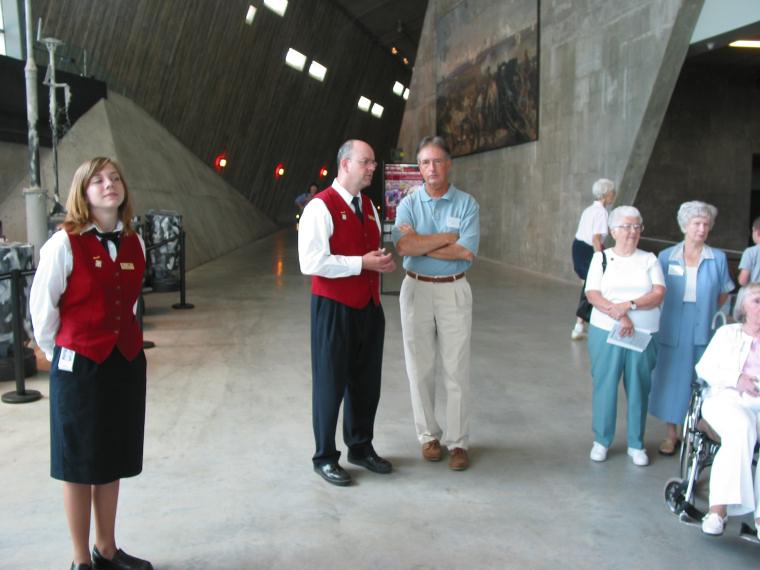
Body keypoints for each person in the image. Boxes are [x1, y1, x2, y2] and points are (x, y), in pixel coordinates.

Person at [29, 157, 152, 570]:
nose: (109, 185)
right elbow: (42, 309)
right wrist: (62, 351)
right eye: (97, 180)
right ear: (83, 192)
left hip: (124, 362)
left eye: (115, 177)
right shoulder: (63, 243)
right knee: (80, 463)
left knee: (111, 457)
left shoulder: (135, 240)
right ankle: (81, 559)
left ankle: (107, 548)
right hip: (80, 365)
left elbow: (131, 299)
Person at [298, 139, 396, 486]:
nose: (372, 168)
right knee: (330, 383)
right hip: (334, 309)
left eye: (372, 162)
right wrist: (361, 263)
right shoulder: (318, 207)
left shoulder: (368, 205)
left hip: (369, 307)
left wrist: (378, 262)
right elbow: (310, 262)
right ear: (345, 165)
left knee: (366, 384)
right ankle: (324, 456)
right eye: (365, 162)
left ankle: (360, 445)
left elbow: (366, 249)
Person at [393, 136, 480, 471]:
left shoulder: (467, 204)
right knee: (420, 367)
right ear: (419, 168)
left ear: (449, 164)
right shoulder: (408, 204)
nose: (432, 168)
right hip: (416, 290)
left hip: (454, 289)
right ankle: (428, 436)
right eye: (425, 163)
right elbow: (403, 247)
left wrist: (421, 243)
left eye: (438, 161)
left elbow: (466, 252)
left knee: (456, 369)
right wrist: (446, 238)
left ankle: (457, 443)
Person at [648, 201, 733, 456]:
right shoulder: (666, 257)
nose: (702, 228)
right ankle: (671, 434)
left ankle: (694, 431)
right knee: (672, 380)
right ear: (685, 225)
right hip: (673, 323)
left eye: (706, 224)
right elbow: (657, 291)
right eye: (697, 223)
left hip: (703, 324)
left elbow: (724, 292)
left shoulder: (716, 257)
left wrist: (706, 310)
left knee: (701, 381)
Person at [585, 206, 666, 466]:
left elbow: (658, 293)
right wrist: (620, 315)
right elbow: (593, 294)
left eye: (636, 227)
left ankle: (636, 443)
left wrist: (628, 305)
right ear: (613, 230)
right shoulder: (601, 259)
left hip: (643, 333)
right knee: (605, 384)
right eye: (626, 226)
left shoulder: (649, 259)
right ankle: (602, 440)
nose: (632, 232)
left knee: (639, 386)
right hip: (606, 330)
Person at [694, 283, 760, 539]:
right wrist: (737, 378)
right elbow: (705, 369)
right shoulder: (727, 334)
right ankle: (718, 510)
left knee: (746, 428)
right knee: (742, 428)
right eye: (757, 301)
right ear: (742, 306)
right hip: (727, 398)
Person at [571, 178, 616, 340]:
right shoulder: (601, 213)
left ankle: (579, 325)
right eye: (612, 193)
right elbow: (596, 239)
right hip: (589, 251)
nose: (614, 195)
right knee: (593, 287)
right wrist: (599, 260)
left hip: (578, 248)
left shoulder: (589, 210)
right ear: (606, 194)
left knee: (589, 287)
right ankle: (581, 325)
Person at [738, 216, 760, 286]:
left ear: (758, 232)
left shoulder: (750, 252)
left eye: (752, 231)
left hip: (755, 294)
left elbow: (743, 280)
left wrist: (739, 278)